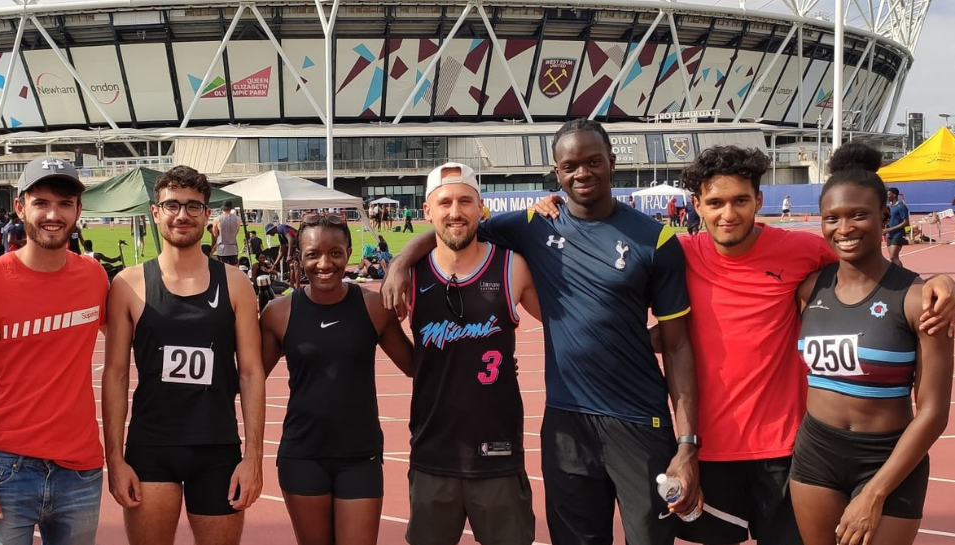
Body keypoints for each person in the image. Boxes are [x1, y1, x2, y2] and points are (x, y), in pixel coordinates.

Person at [528, 146, 955, 545]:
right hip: (710, 449)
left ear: (759, 200)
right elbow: (667, 330)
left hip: (791, 453)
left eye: (740, 200)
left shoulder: (803, 250)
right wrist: (549, 209)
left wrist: (938, 282)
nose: (728, 213)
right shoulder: (679, 254)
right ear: (697, 206)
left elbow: (869, 274)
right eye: (715, 203)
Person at [383, 120, 701, 545]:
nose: (582, 173)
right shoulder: (534, 224)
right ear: (556, 172)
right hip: (566, 420)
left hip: (639, 419)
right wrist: (403, 259)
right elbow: (453, 230)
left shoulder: (656, 238)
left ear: (613, 162)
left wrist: (686, 442)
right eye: (570, 166)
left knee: (648, 539)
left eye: (592, 162)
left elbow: (678, 343)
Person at [791, 143, 955, 545]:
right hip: (816, 455)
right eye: (832, 218)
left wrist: (875, 493)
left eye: (858, 214)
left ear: (885, 216)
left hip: (890, 459)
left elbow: (933, 411)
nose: (844, 228)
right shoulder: (810, 289)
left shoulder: (921, 299)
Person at [0, 156, 108, 545]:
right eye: (42, 203)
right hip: (6, 470)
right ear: (20, 207)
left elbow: (130, 342)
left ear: (78, 211)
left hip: (80, 471)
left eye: (65, 204)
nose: (54, 214)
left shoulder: (94, 276)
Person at [102, 166, 265, 545]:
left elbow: (252, 373)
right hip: (151, 448)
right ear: (155, 212)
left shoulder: (236, 284)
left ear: (207, 215)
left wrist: (253, 457)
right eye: (172, 205)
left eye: (194, 207)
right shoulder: (128, 284)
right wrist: (115, 459)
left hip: (218, 447)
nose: (182, 215)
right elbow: (115, 375)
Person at [404, 163, 542, 545]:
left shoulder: (512, 268)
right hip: (433, 452)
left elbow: (567, 325)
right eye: (444, 202)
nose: (455, 211)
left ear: (481, 207)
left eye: (465, 201)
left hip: (498, 452)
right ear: (426, 210)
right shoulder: (410, 276)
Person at [259, 212, 415, 545]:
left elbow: (416, 366)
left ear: (349, 255)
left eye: (335, 253)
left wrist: (470, 351)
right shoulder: (278, 313)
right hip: (303, 454)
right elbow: (247, 378)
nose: (324, 263)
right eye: (313, 254)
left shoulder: (375, 308)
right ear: (299, 258)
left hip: (360, 455)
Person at [211, 200, 241, 265]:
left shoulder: (217, 219)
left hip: (222, 247)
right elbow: (237, 231)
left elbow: (215, 233)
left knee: (223, 268)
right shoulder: (237, 219)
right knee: (233, 267)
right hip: (233, 247)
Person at [885, 187, 910, 267]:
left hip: (898, 234)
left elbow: (906, 222)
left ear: (894, 195)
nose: (887, 197)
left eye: (889, 194)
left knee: (893, 256)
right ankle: (897, 274)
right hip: (889, 234)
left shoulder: (901, 206)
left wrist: (890, 229)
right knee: (893, 258)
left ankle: (902, 275)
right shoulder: (889, 207)